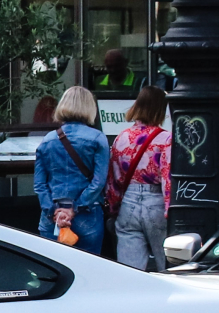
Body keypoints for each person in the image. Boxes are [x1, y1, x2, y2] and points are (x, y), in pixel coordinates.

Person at [35, 86, 110, 254]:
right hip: (87, 215)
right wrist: (74, 208)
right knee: (89, 268)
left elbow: (40, 185)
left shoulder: (47, 140)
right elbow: (98, 182)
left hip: (52, 218)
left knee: (52, 268)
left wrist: (54, 211)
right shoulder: (98, 138)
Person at [105, 87, 173, 271]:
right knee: (168, 267)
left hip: (128, 204)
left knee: (129, 271)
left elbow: (114, 179)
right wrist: (169, 210)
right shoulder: (166, 139)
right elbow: (168, 178)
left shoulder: (121, 137)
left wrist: (114, 209)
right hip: (156, 204)